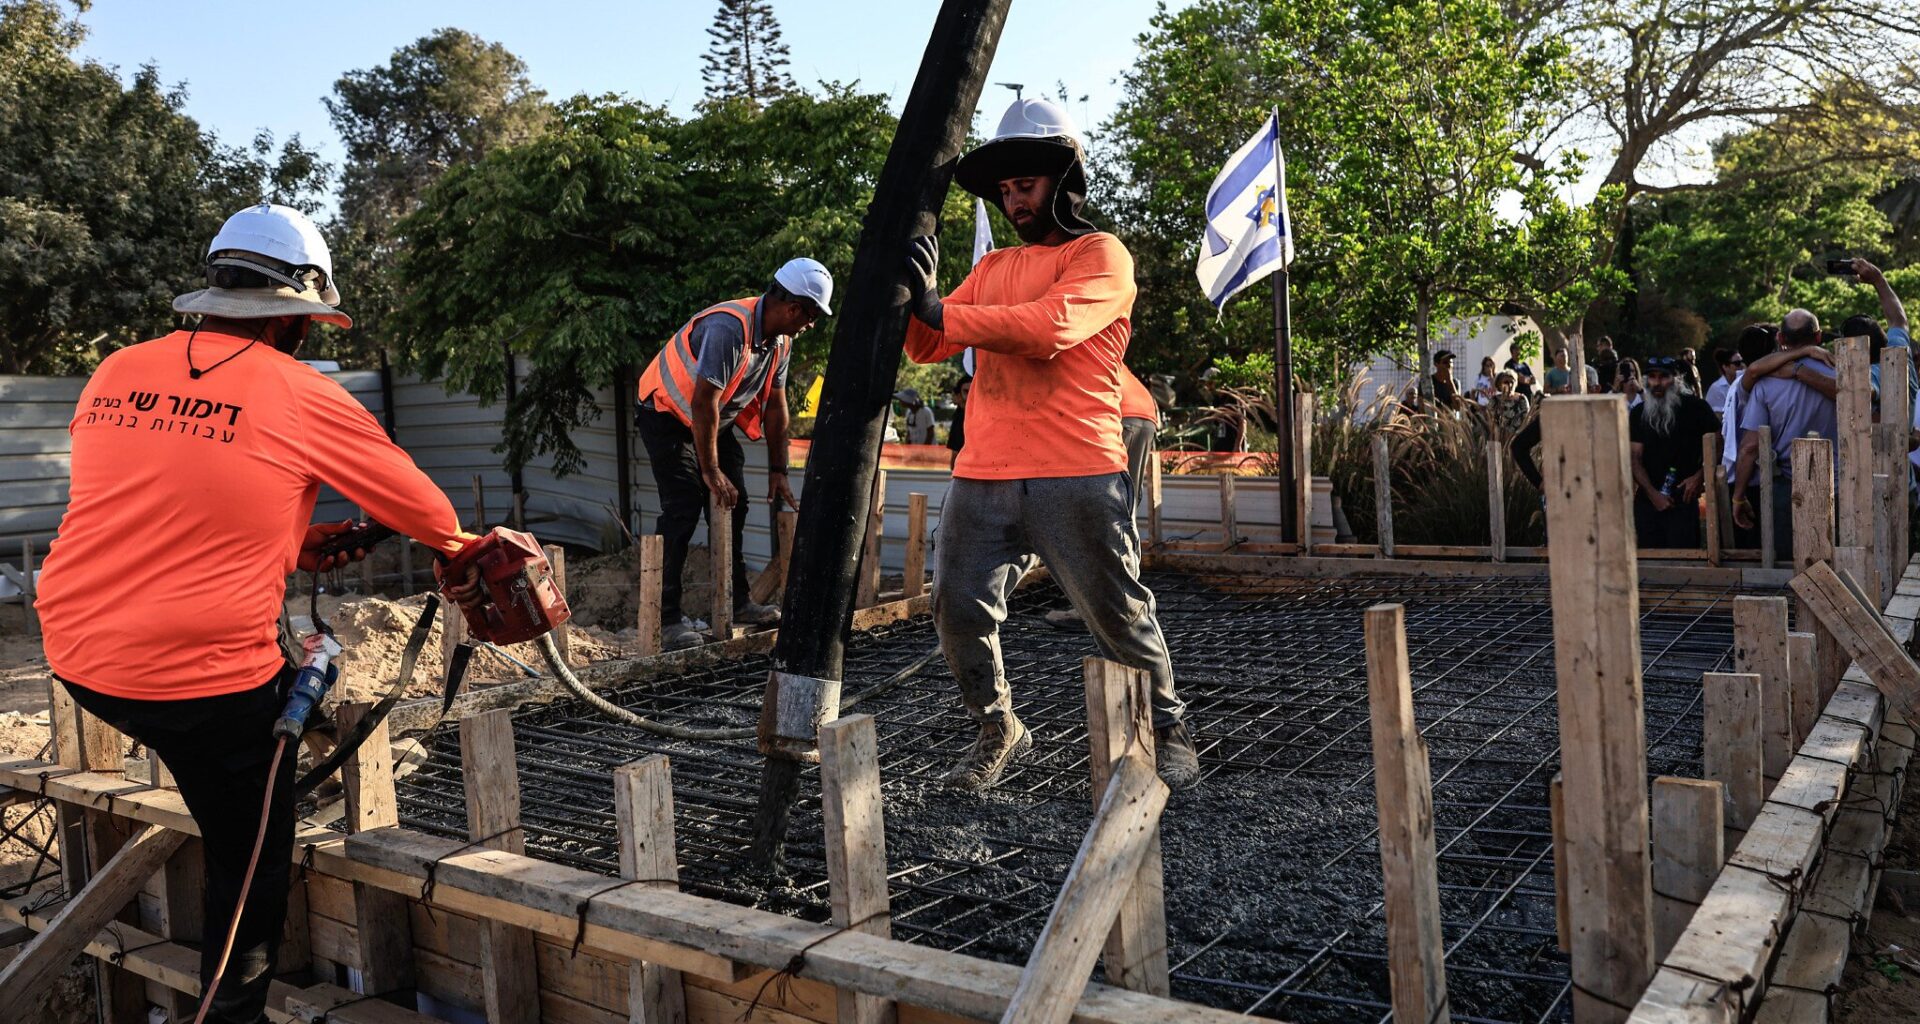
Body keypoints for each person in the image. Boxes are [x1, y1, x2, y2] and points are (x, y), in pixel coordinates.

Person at [32, 203, 476, 1024]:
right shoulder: (300, 391)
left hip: (78, 654)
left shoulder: (118, 369)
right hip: (197, 683)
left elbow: (167, 492)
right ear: (294, 315)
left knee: (221, 774)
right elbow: (432, 514)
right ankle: (227, 1013)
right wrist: (458, 546)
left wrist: (293, 543)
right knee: (250, 863)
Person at [901, 97, 1197, 791]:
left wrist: (943, 310)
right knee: (956, 607)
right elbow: (928, 343)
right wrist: (911, 296)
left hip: (1076, 467)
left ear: (1064, 181)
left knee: (1116, 614)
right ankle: (998, 727)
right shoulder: (994, 267)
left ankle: (1168, 726)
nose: (1014, 201)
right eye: (1005, 190)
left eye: (1026, 185)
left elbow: (1049, 328)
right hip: (983, 470)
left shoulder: (1100, 255)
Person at [635, 259, 829, 649]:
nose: (811, 325)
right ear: (793, 307)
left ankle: (738, 601)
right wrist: (709, 469)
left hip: (711, 419)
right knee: (683, 505)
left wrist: (778, 468)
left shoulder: (780, 342)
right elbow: (703, 400)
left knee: (733, 501)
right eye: (811, 316)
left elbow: (776, 406)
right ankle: (665, 619)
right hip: (666, 412)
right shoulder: (728, 329)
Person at [1733, 310, 1840, 554]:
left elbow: (1750, 446)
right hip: (1837, 485)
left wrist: (1738, 496)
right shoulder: (1840, 370)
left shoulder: (1765, 381)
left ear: (1780, 338)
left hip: (1789, 488)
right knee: (1835, 563)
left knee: (1788, 563)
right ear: (1818, 336)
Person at [1628, 357, 1720, 547]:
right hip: (1649, 500)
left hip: (1684, 497)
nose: (1657, 383)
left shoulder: (1696, 408)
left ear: (1676, 379)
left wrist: (1700, 476)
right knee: (1649, 560)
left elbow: (1718, 443)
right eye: (1652, 377)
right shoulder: (1638, 413)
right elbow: (1634, 458)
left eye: (1664, 377)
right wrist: (1653, 494)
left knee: (1685, 557)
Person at [1488, 369, 1531, 438]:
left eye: (1512, 382)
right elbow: (1490, 419)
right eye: (1506, 382)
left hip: (1518, 437)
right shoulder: (1494, 400)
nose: (1510, 385)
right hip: (1499, 437)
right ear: (1499, 385)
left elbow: (1526, 419)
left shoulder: (1522, 399)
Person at [1705, 347, 1744, 418]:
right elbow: (1719, 417)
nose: (1742, 366)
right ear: (1725, 367)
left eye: (1742, 361)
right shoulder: (1717, 388)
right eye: (1737, 363)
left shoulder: (1742, 383)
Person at [946, 375, 971, 468]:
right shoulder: (958, 417)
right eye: (966, 391)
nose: (969, 395)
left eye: (972, 391)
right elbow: (955, 449)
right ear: (959, 395)